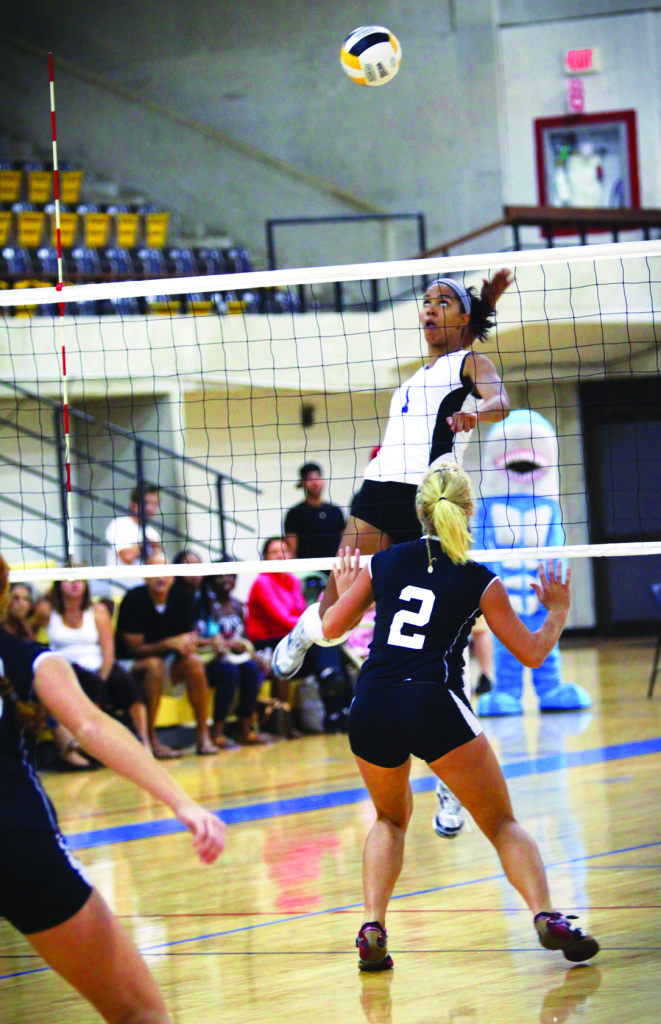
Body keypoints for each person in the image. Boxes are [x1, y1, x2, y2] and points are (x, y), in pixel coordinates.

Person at [320, 461, 599, 971]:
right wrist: (557, 612)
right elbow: (533, 654)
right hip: (432, 701)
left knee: (388, 818)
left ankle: (372, 926)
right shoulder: (479, 579)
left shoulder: (383, 563)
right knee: (500, 823)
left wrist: (341, 587)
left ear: (419, 511)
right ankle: (546, 915)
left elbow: (332, 629)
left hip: (373, 703)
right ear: (469, 511)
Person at [0, 553, 225, 1024]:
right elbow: (90, 724)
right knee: (141, 1013)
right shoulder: (17, 655)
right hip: (15, 844)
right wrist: (182, 803)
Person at [272, 271, 513, 681]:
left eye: (443, 303)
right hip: (380, 491)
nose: (430, 309)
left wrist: (478, 411)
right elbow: (460, 335)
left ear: (462, 318)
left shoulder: (472, 363)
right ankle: (303, 633)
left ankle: (437, 685)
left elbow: (501, 398)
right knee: (336, 617)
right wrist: (484, 299)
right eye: (426, 302)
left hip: (430, 503)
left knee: (430, 607)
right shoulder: (421, 375)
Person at [115, 552, 218, 758]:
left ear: (172, 576)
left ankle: (203, 735)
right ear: (145, 576)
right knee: (154, 666)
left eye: (165, 572)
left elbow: (186, 640)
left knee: (194, 663)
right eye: (154, 572)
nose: (160, 577)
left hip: (166, 662)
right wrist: (168, 643)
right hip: (130, 665)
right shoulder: (133, 600)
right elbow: (134, 649)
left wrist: (188, 645)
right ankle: (150, 737)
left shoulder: (182, 598)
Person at [42, 578, 151, 750]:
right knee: (93, 685)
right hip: (66, 668)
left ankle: (144, 743)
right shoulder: (48, 611)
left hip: (98, 665)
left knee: (125, 684)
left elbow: (108, 649)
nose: (74, 583)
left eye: (79, 579)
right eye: (68, 580)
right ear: (58, 584)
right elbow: (26, 626)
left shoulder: (97, 611)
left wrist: (103, 675)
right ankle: (92, 744)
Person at [173, 550, 267, 746]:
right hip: (190, 660)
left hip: (217, 656)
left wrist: (225, 643)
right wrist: (216, 643)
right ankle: (216, 732)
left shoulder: (206, 600)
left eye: (198, 567)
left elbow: (213, 630)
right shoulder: (180, 599)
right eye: (189, 567)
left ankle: (244, 728)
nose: (195, 572)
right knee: (229, 672)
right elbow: (182, 637)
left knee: (250, 669)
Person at [284, 462, 346, 560]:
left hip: (334, 569)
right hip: (308, 571)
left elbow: (345, 544)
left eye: (318, 477)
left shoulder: (336, 511)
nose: (315, 482)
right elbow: (291, 550)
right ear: (302, 483)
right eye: (310, 479)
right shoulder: (294, 514)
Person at [105, 485, 163, 580]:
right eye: (146, 503)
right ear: (134, 504)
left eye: (155, 504)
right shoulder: (119, 524)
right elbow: (127, 557)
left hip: (147, 591)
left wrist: (157, 550)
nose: (150, 509)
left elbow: (158, 565)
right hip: (122, 590)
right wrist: (146, 542)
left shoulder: (153, 533)